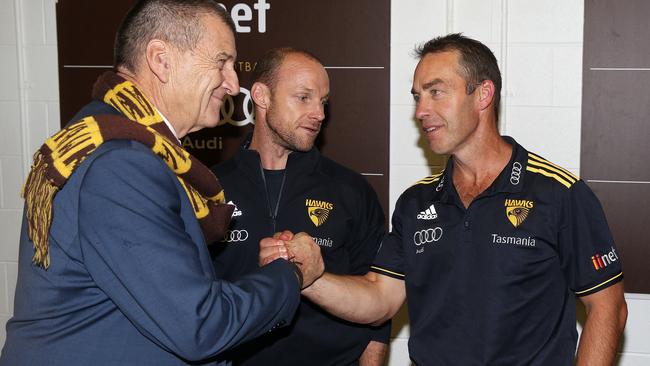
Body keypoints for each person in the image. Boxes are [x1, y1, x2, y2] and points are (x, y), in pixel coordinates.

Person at [263, 33, 628, 365]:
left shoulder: (559, 193)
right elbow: (378, 299)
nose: (421, 111)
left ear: (483, 94)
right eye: (418, 97)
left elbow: (608, 307)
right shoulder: (416, 202)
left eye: (436, 92)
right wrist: (312, 276)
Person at [0, 1, 323, 365]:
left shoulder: (133, 147)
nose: (234, 85)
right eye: (222, 62)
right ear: (161, 59)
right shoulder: (121, 164)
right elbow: (199, 325)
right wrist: (291, 274)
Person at [211, 47, 389, 366]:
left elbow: (379, 310)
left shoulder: (352, 190)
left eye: (322, 102)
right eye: (304, 98)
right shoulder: (210, 188)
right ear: (262, 96)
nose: (319, 114)